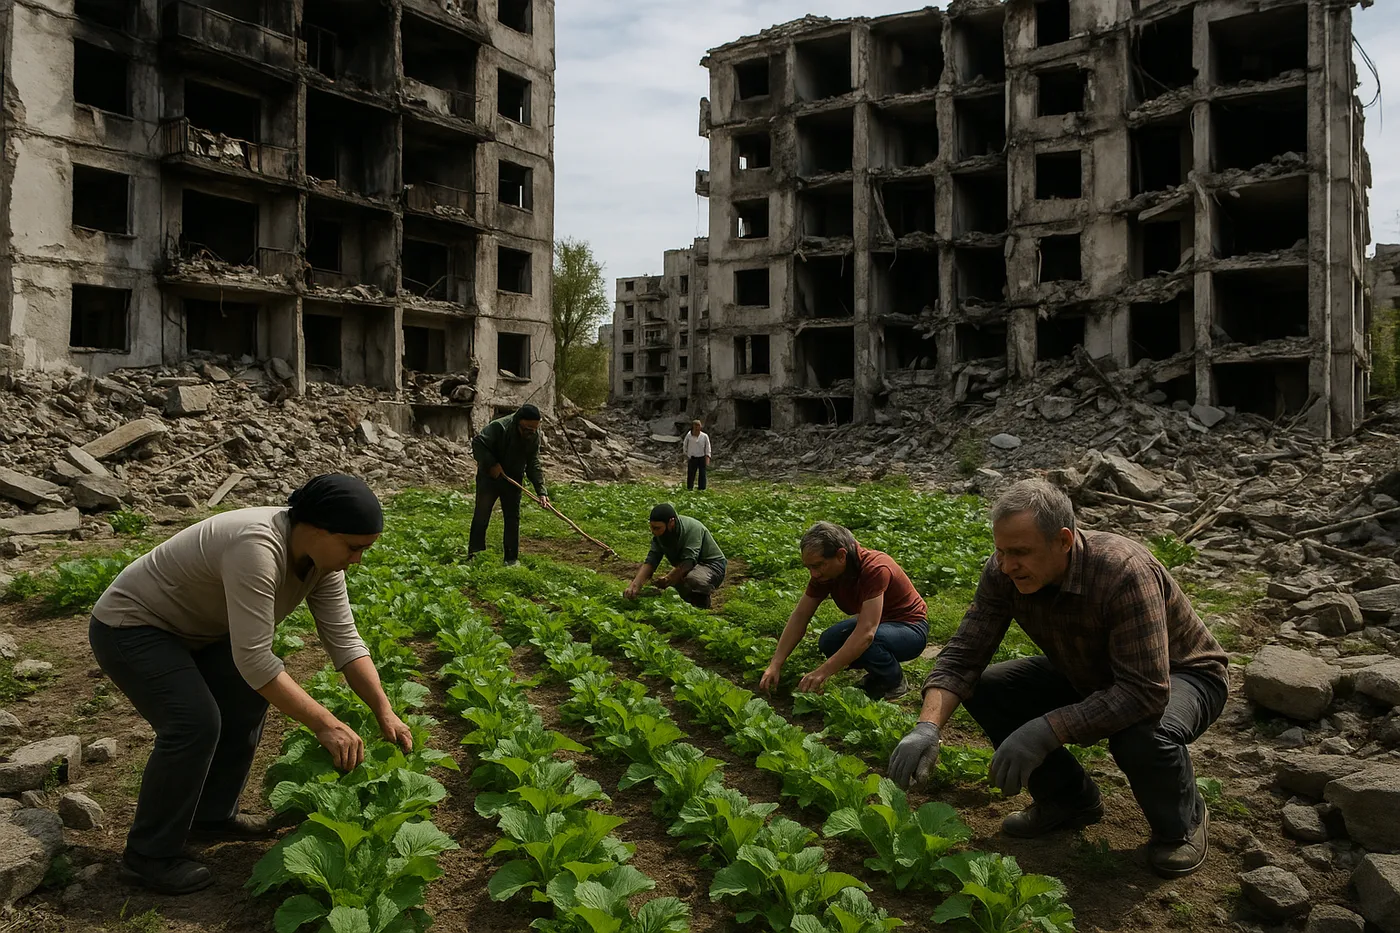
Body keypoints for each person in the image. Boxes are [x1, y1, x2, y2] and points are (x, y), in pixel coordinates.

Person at [88, 474, 413, 896]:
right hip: (133, 626)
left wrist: (383, 709)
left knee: (244, 700)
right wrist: (324, 723)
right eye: (353, 547)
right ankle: (148, 856)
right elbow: (255, 658)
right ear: (315, 529)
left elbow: (346, 642)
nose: (358, 559)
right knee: (194, 723)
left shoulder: (322, 563)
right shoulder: (257, 546)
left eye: (364, 549)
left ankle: (211, 815)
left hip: (201, 630)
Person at [886, 479, 1228, 879]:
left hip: (1180, 674)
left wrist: (1045, 731)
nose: (1007, 564)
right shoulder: (1004, 572)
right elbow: (964, 654)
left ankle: (1183, 823)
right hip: (1088, 671)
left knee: (1140, 732)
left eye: (1020, 552)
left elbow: (1144, 692)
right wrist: (927, 726)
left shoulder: (1122, 571)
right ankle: (1069, 801)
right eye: (1000, 551)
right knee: (991, 687)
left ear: (1063, 541)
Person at [759, 522, 929, 701]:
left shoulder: (875, 569)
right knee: (830, 641)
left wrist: (822, 672)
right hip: (880, 624)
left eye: (817, 565)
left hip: (910, 627)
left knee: (870, 641)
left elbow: (866, 633)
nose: (813, 574)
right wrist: (775, 663)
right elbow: (801, 615)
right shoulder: (826, 575)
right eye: (809, 567)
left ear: (841, 555)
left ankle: (894, 681)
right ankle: (877, 675)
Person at [468, 403, 548, 566]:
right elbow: (478, 443)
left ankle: (511, 559)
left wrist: (541, 491)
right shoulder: (499, 427)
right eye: (527, 429)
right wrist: (492, 464)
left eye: (533, 430)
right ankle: (475, 555)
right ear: (518, 422)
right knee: (481, 515)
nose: (530, 433)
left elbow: (533, 462)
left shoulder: (533, 435)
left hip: (513, 479)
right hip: (489, 478)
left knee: (512, 518)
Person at [623, 503, 727, 609]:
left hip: (712, 566)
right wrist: (635, 585)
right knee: (672, 591)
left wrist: (669, 578)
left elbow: (688, 562)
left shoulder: (692, 528)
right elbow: (651, 560)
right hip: (689, 567)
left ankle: (702, 606)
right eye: (652, 528)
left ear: (671, 522)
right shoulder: (660, 534)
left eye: (657, 528)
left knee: (693, 579)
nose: (654, 532)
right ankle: (689, 602)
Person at [682, 420, 712, 491]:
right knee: (691, 474)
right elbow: (685, 445)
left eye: (698, 426)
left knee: (702, 474)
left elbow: (708, 447)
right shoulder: (689, 435)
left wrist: (707, 457)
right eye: (695, 426)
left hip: (701, 457)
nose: (697, 428)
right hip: (692, 457)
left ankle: (701, 489)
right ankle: (690, 488)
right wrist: (686, 454)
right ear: (693, 427)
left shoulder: (704, 436)